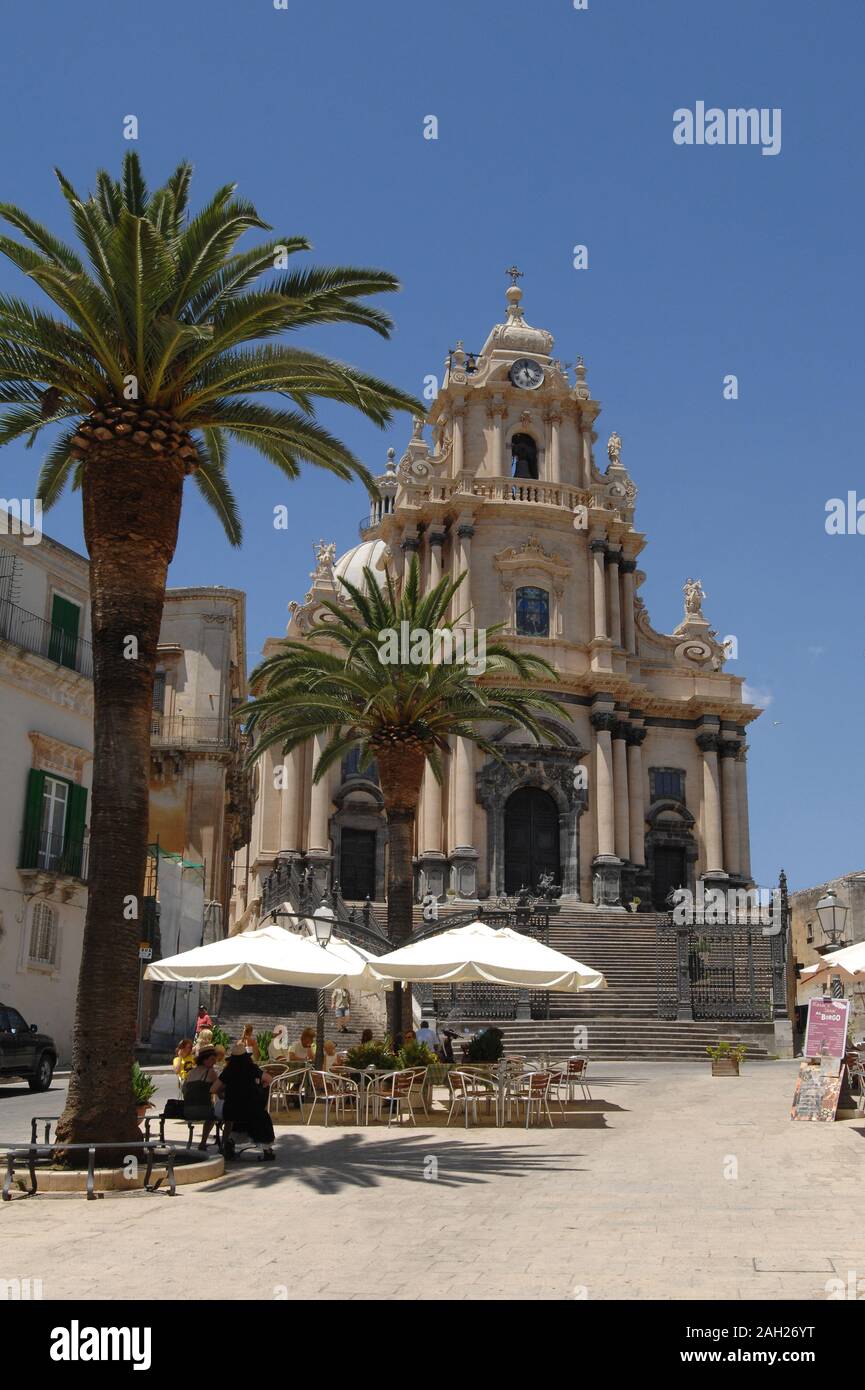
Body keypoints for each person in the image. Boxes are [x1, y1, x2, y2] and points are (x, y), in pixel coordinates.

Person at [213, 1044, 275, 1160]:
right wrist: (262, 1086)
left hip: (232, 1108)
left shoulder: (228, 1071)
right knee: (261, 1118)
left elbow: (213, 1089)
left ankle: (229, 1143)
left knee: (233, 1119)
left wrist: (222, 1094)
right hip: (251, 1106)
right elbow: (269, 1079)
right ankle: (267, 1149)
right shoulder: (252, 1068)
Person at [182, 1045, 220, 1150]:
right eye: (212, 1059)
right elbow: (218, 1089)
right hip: (202, 1110)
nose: (214, 1062)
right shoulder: (211, 1072)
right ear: (204, 1060)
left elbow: (184, 1089)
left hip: (187, 1110)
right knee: (214, 1116)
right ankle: (203, 1142)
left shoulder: (191, 1072)